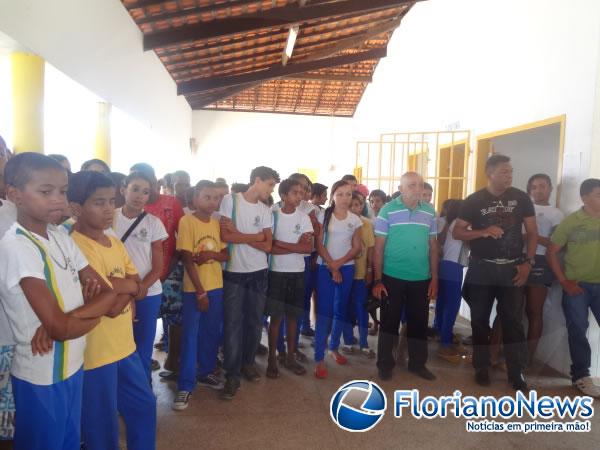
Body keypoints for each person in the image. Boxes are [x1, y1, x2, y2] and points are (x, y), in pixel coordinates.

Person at [0, 153, 117, 450]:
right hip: (41, 374)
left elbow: (110, 295)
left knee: (67, 441)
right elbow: (61, 326)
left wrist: (68, 320)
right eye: (45, 191)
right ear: (15, 195)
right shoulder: (17, 246)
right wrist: (68, 322)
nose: (58, 200)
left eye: (63, 191)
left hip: (73, 364)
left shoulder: (61, 237)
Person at [68, 171, 157, 450]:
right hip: (96, 352)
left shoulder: (114, 241)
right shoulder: (75, 245)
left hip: (124, 346)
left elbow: (136, 285)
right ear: (76, 208)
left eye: (110, 201)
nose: (108, 209)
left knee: (144, 406)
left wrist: (125, 289)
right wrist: (127, 290)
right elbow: (109, 304)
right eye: (98, 202)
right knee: (101, 426)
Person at [453, 154, 537, 391]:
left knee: (513, 322)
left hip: (513, 267)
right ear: (490, 173)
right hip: (482, 267)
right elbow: (457, 232)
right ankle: (481, 366)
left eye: (511, 171)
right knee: (479, 320)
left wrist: (528, 262)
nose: (509, 176)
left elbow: (532, 232)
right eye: (504, 172)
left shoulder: (521, 198)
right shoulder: (474, 200)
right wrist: (482, 232)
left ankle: (516, 371)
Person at [219, 166, 278, 399]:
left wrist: (241, 235)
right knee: (233, 323)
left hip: (259, 271)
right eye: (270, 184)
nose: (271, 190)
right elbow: (225, 236)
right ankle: (231, 374)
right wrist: (256, 236)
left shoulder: (266, 210)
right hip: (234, 271)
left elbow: (268, 246)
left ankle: (248, 363)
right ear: (257, 180)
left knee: (254, 321)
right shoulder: (230, 201)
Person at [372, 172, 438, 381]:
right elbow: (378, 248)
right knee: (389, 323)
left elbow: (434, 247)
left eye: (419, 185)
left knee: (419, 323)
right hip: (392, 276)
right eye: (411, 185)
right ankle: (385, 365)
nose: (417, 189)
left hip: (421, 278)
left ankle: (417, 364)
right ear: (400, 188)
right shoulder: (388, 210)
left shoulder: (429, 211)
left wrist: (435, 278)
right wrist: (378, 280)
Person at [173, 181, 229, 410]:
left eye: (216, 198)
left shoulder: (217, 223)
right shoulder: (187, 221)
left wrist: (210, 254)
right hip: (195, 289)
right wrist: (200, 291)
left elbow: (226, 255)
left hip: (216, 285)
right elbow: (187, 258)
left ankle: (205, 372)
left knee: (211, 332)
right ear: (195, 198)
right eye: (207, 197)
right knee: (191, 335)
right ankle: (185, 385)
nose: (212, 202)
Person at [546, 178, 600, 397]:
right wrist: (564, 281)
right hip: (577, 287)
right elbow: (551, 252)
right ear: (584, 197)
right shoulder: (572, 222)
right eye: (598, 194)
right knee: (578, 330)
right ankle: (581, 376)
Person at [113, 172, 168, 383]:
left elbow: (157, 266)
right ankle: (121, 394)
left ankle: (144, 391)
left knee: (143, 346)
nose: (139, 196)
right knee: (118, 346)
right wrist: (127, 290)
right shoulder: (111, 218)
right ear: (123, 189)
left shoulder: (154, 223)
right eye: (135, 189)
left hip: (148, 292)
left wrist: (141, 288)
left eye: (145, 192)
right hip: (116, 291)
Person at [314, 180, 362, 379]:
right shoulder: (323, 215)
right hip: (324, 267)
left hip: (347, 268)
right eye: (340, 194)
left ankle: (334, 347)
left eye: (349, 194)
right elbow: (319, 244)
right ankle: (318, 357)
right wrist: (331, 265)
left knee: (340, 310)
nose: (344, 198)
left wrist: (339, 264)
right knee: (324, 312)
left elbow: (356, 247)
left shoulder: (355, 220)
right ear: (333, 196)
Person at [265, 179, 313, 378]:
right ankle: (272, 359)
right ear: (283, 196)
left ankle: (290, 357)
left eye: (301, 192)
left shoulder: (304, 218)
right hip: (276, 273)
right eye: (294, 192)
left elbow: (307, 248)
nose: (299, 196)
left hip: (297, 274)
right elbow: (269, 248)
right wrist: (288, 246)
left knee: (293, 317)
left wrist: (280, 244)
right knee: (275, 318)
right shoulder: (272, 216)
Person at [522, 174, 564, 362]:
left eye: (543, 186)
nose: (539, 190)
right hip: (518, 259)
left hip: (540, 262)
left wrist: (532, 236)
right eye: (535, 187)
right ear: (529, 190)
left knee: (534, 311)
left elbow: (556, 244)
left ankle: (527, 358)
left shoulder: (556, 214)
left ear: (550, 189)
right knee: (508, 311)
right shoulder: (522, 209)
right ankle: (494, 354)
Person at [341, 192, 376, 358]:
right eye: (351, 205)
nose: (354, 208)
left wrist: (370, 271)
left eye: (358, 205)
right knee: (346, 308)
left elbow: (370, 250)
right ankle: (348, 340)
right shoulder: (340, 223)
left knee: (361, 308)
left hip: (360, 274)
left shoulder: (367, 224)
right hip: (343, 273)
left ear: (362, 206)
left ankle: (364, 342)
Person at [434, 199, 468, 362]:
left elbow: (440, 241)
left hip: (445, 265)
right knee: (452, 305)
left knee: (442, 302)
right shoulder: (460, 225)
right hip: (453, 266)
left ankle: (439, 330)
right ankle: (445, 342)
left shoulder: (449, 222)